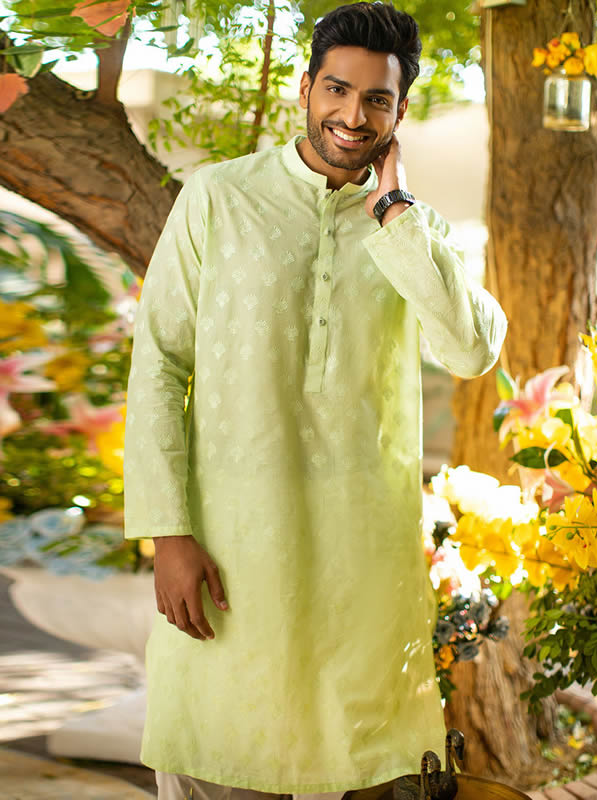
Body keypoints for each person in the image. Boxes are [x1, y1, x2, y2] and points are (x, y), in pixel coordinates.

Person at [123, 3, 507, 799]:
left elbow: (471, 351)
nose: (352, 115)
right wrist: (169, 532)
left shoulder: (410, 230)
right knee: (218, 753)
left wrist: (395, 213)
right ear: (305, 88)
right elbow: (159, 361)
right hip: (229, 553)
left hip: (356, 571)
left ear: (400, 112)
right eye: (337, 90)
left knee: (353, 763)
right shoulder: (218, 198)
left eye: (377, 99)